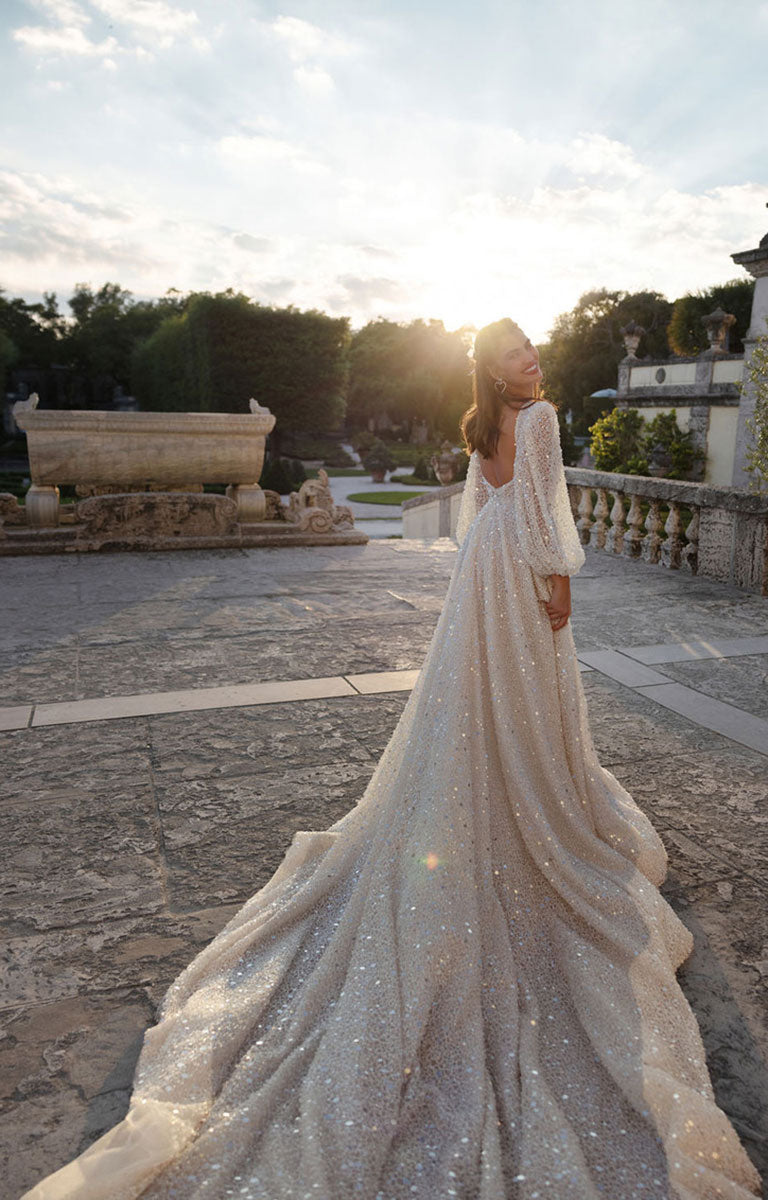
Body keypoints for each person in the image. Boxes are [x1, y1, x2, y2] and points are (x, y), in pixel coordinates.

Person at [23, 319, 761, 1200]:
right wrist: (559, 585)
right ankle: (541, 807)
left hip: (479, 580)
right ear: (494, 365)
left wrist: (496, 581)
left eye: (532, 347)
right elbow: (540, 510)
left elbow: (480, 514)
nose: (532, 360)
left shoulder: (478, 420)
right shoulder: (538, 417)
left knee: (476, 712)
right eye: (516, 352)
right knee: (528, 707)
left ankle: (512, 789)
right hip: (519, 576)